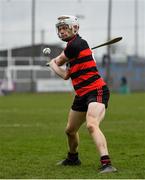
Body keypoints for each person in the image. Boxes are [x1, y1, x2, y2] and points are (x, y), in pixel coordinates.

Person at [47, 15, 117, 174]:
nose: (62, 31)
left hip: (96, 90)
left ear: (75, 28)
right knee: (70, 130)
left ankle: (107, 164)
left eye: (65, 28)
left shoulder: (76, 44)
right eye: (60, 29)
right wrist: (54, 65)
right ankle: (73, 158)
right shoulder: (75, 50)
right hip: (81, 95)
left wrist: (52, 63)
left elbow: (59, 62)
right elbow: (65, 75)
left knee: (92, 124)